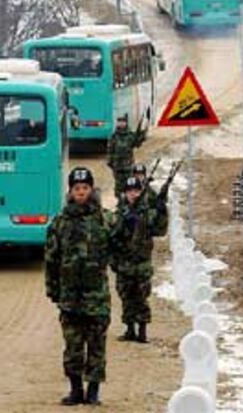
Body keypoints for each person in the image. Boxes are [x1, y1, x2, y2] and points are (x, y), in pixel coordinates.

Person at [45, 167, 111, 406]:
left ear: (91, 190)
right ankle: (75, 389)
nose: (81, 192)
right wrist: (53, 290)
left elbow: (119, 247)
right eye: (77, 189)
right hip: (70, 298)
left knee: (96, 346)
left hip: (97, 297)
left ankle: (93, 392)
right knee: (73, 347)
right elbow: (51, 259)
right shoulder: (60, 223)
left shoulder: (104, 219)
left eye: (85, 188)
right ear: (70, 191)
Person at [110, 176, 168, 344]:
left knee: (141, 297)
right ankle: (129, 329)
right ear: (125, 194)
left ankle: (142, 330)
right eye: (130, 192)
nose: (133, 194)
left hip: (141, 264)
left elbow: (160, 230)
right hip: (124, 263)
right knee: (126, 296)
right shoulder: (120, 212)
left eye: (136, 191)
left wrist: (162, 210)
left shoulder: (147, 213)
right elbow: (113, 235)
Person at [107, 114, 147, 199]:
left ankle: (129, 202)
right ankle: (120, 203)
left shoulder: (130, 135)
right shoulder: (114, 136)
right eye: (119, 122)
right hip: (117, 167)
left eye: (123, 122)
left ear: (126, 123)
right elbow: (110, 150)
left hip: (128, 166)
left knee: (129, 185)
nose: (121, 124)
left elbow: (137, 144)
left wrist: (142, 136)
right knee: (118, 187)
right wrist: (110, 162)